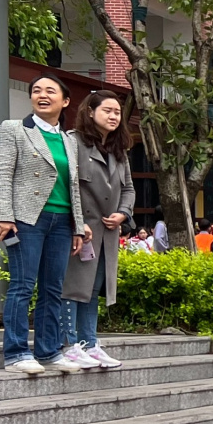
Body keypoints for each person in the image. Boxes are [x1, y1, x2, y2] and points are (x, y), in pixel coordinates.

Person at [0, 73, 90, 376]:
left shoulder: (69, 139)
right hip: (26, 219)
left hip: (62, 221)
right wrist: (3, 215)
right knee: (22, 285)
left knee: (53, 287)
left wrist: (78, 225)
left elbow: (73, 186)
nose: (42, 95)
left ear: (65, 100)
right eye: (36, 90)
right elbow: (3, 174)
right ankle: (17, 352)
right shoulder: (14, 129)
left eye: (50, 91)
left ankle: (48, 351)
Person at [61, 89, 134, 371]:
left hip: (108, 232)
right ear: (90, 112)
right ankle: (69, 343)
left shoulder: (119, 151)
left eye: (117, 112)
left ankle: (89, 343)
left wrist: (123, 213)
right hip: (81, 230)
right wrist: (77, 224)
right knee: (73, 287)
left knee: (93, 289)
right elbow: (67, 185)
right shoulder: (72, 142)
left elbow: (128, 188)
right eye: (108, 110)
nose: (114, 116)